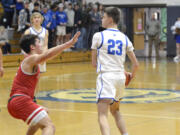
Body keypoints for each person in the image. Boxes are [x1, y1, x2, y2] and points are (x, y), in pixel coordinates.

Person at [7, 31, 80, 135]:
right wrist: (67, 44)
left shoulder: (30, 62)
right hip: (20, 100)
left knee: (42, 114)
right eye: (38, 42)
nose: (41, 45)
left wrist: (33, 101)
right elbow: (48, 54)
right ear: (32, 47)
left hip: (17, 101)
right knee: (49, 126)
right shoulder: (30, 59)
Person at [91, 7, 139, 135]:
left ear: (110, 19)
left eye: (104, 17)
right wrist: (130, 77)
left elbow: (93, 63)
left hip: (106, 77)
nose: (102, 19)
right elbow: (136, 64)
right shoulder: (124, 37)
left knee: (102, 115)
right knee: (115, 111)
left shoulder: (98, 36)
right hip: (120, 78)